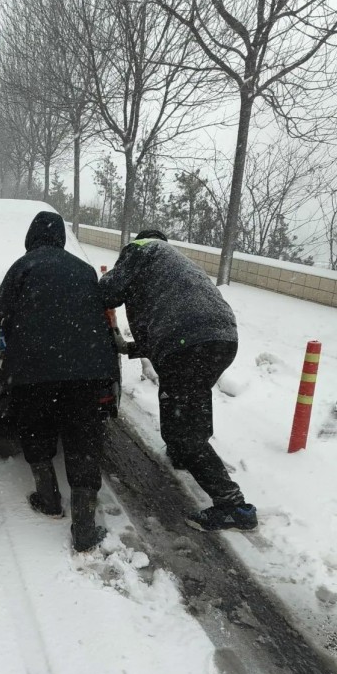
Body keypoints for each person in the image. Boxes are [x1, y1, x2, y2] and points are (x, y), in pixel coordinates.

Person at [99, 228, 257, 532]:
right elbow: (164, 322)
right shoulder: (174, 265)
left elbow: (107, 292)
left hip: (186, 343)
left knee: (181, 428)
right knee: (194, 397)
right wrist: (128, 347)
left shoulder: (141, 249)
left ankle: (233, 506)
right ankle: (187, 455)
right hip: (222, 337)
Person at [0, 210, 119, 552]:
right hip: (85, 369)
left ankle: (49, 498)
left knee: (35, 425)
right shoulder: (82, 269)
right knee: (83, 436)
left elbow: (5, 309)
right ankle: (84, 527)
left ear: (31, 237)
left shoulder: (21, 267)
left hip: (33, 368)